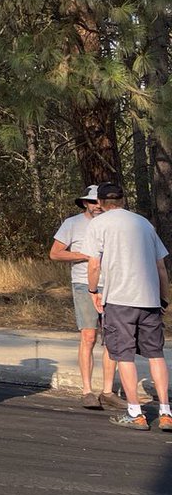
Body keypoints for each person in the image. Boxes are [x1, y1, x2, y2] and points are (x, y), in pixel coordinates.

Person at [85, 182, 171, 431]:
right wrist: (163, 299)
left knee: (124, 354)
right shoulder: (144, 224)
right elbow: (161, 268)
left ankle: (135, 412)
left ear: (100, 203)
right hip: (149, 299)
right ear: (123, 200)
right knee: (156, 354)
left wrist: (93, 291)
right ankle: (166, 411)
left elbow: (93, 264)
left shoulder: (99, 224)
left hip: (120, 299)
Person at [50, 185, 123, 410]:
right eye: (91, 202)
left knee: (112, 339)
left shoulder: (115, 223)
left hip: (114, 285)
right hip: (84, 284)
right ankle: (87, 391)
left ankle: (108, 391)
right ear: (84, 203)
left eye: (98, 202)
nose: (96, 206)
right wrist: (85, 256)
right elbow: (55, 253)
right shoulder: (72, 223)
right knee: (89, 337)